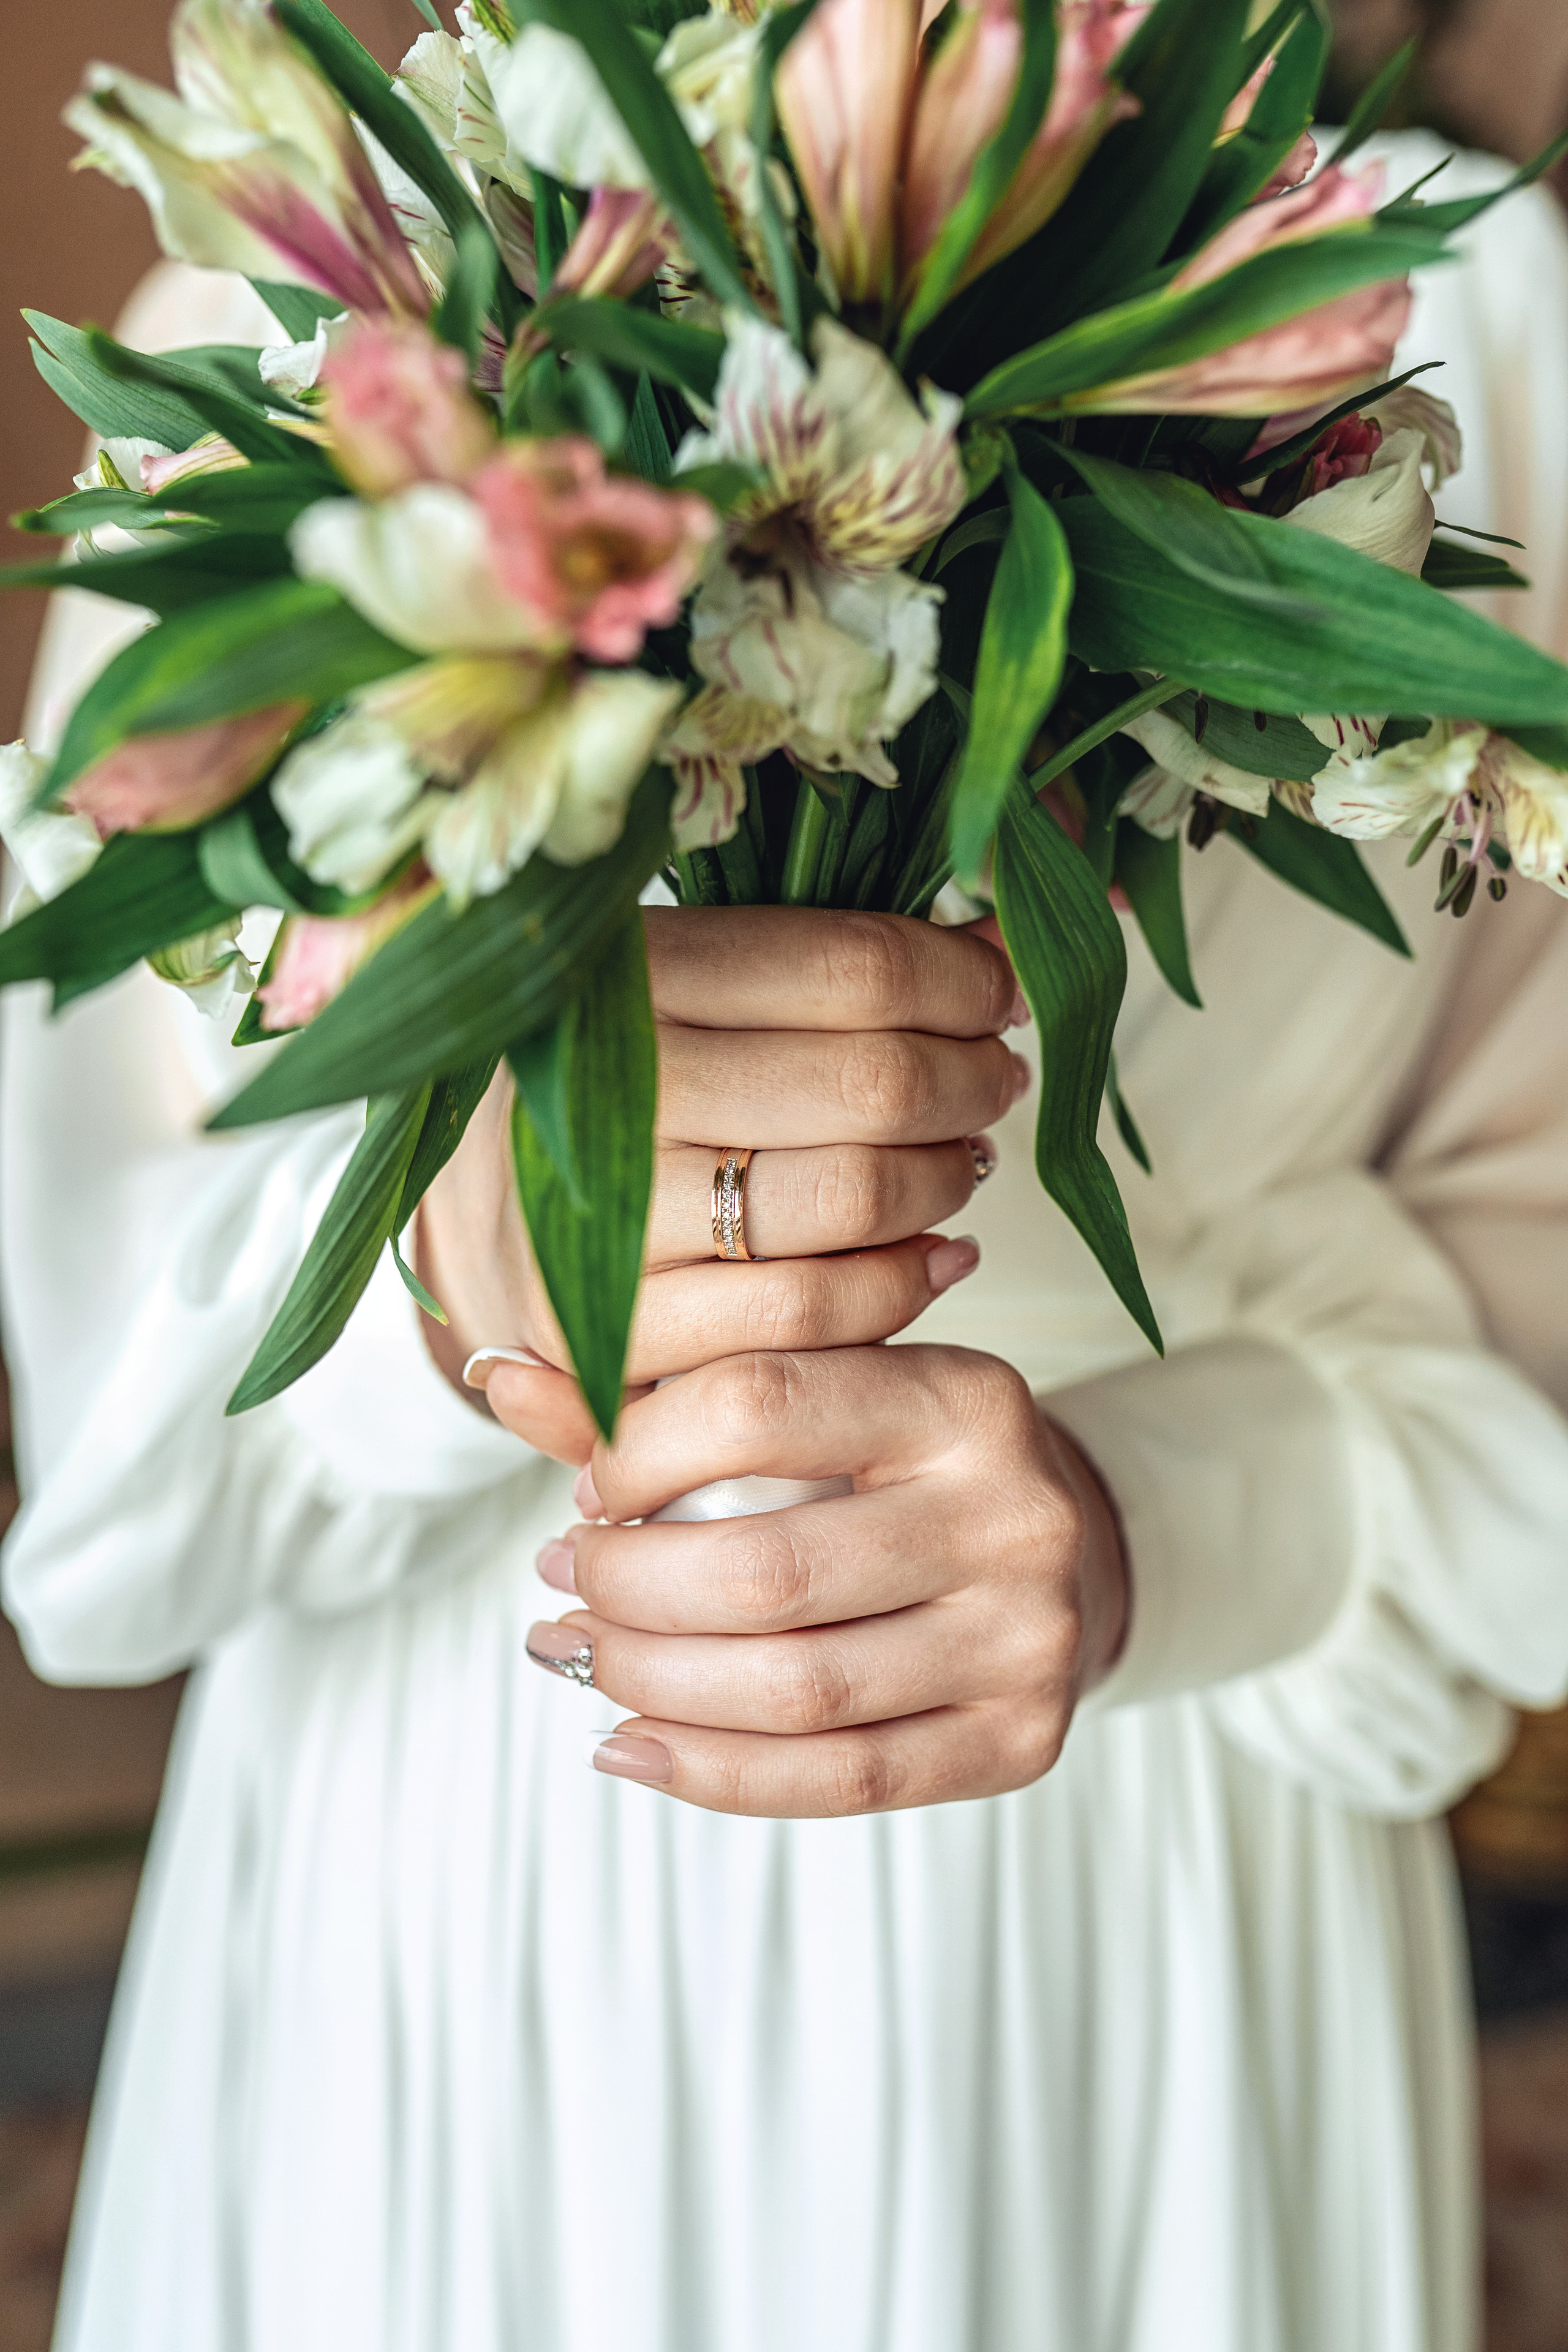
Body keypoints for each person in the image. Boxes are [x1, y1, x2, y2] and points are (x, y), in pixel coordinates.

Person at [6, 134, 1568, 2352]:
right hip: (457, 1920)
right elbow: (106, 1465)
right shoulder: (319, 289)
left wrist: (1162, 1528)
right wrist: (473, 1264)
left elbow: (1543, 1278)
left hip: (1147, 1921)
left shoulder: (1444, 308)